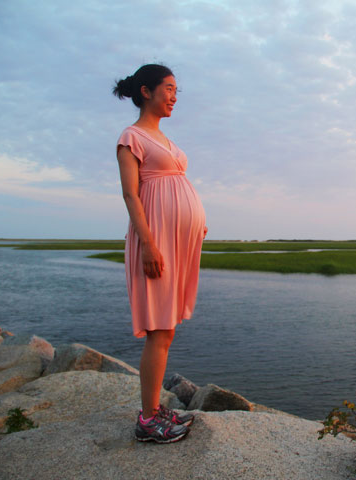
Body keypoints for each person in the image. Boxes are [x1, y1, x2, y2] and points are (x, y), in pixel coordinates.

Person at [113, 64, 207, 443]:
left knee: (167, 329)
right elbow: (130, 194)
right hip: (155, 240)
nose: (174, 96)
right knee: (159, 329)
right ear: (146, 91)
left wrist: (195, 222)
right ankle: (148, 420)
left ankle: (154, 409)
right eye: (168, 89)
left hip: (178, 241)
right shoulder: (131, 137)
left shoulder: (165, 139)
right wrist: (148, 243)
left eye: (176, 90)